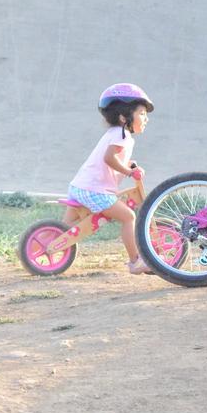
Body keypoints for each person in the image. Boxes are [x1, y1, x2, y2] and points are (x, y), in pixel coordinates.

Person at [66, 83, 154, 275]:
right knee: (129, 217)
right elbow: (109, 158)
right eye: (141, 113)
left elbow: (111, 158)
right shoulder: (122, 136)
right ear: (124, 117)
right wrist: (129, 172)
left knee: (67, 229)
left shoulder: (115, 134)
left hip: (80, 186)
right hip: (94, 190)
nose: (146, 118)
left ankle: (40, 245)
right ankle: (136, 261)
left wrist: (129, 164)